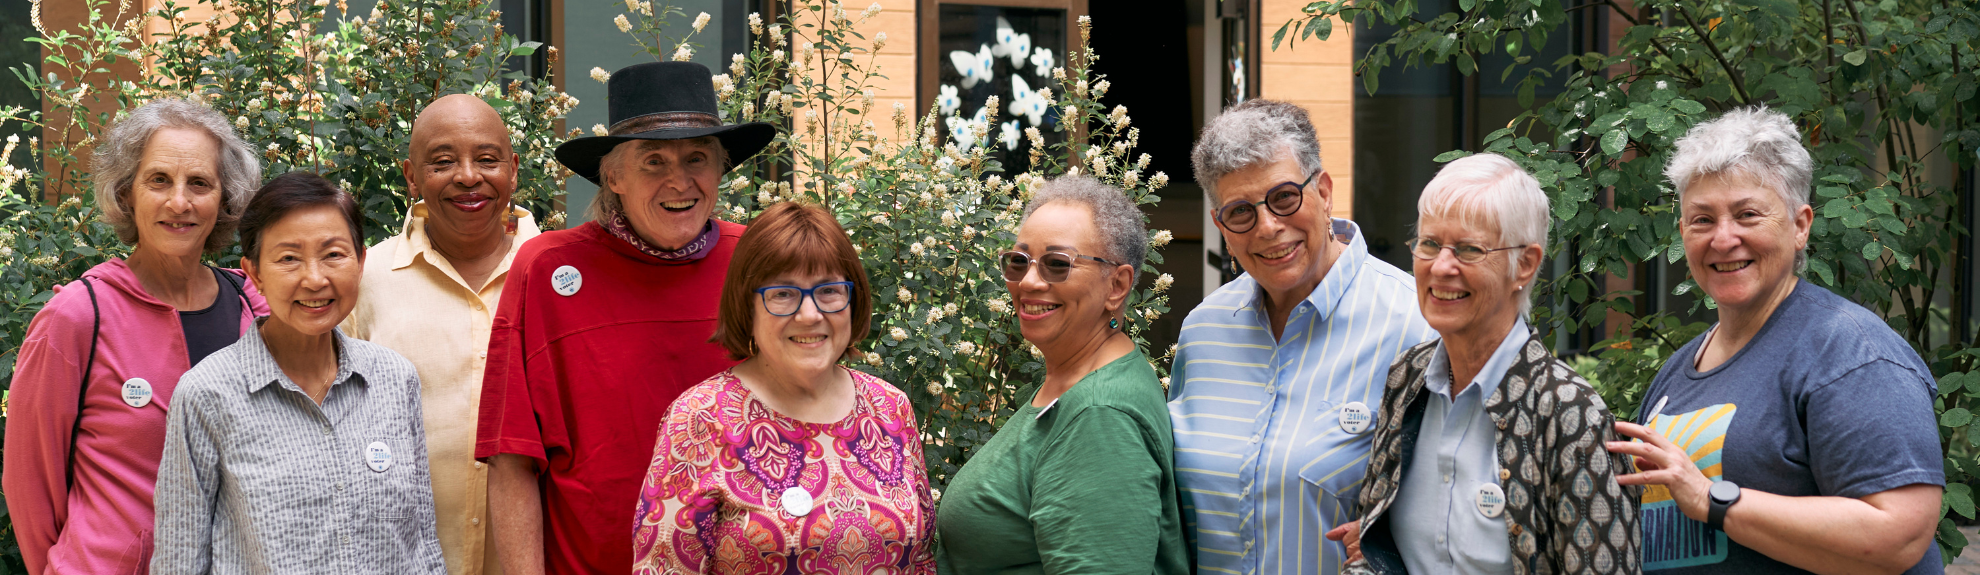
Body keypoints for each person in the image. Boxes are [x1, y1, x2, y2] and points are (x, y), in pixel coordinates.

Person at [1604, 107, 1943, 574]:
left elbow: (1898, 534)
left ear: (1800, 225)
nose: (1724, 239)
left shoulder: (1850, 352)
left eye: (1747, 214)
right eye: (1702, 220)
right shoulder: (1677, 372)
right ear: (1682, 233)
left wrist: (1711, 499)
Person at [475, 61, 774, 575]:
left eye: (698, 157)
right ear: (612, 175)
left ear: (721, 167)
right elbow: (512, 458)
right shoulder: (547, 269)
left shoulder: (755, 259)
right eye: (653, 161)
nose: (679, 181)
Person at [1329, 153, 1640, 575]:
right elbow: (1377, 553)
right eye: (1429, 244)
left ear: (1525, 265)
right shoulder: (1406, 380)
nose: (1441, 267)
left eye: (1469, 250)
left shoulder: (1570, 413)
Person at [1168, 98, 1436, 574]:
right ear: (1221, 227)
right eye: (1240, 212)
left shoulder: (1413, 324)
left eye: (1284, 197)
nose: (1268, 227)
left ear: (1325, 192)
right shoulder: (1204, 330)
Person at [2, 97, 268, 574]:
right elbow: (29, 483)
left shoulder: (255, 306)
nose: (179, 202)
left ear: (225, 198)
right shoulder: (78, 316)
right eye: (159, 180)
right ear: (128, 194)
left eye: (200, 183)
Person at [151, 172, 443, 574]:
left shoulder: (394, 379)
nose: (315, 278)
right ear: (254, 274)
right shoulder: (208, 393)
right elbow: (179, 560)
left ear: (360, 262)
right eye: (289, 258)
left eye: (333, 254)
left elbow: (422, 545)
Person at [631, 201, 935, 573]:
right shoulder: (700, 420)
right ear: (748, 306)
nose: (810, 314)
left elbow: (920, 561)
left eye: (828, 291)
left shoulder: (890, 408)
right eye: (783, 294)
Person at [935, 175, 1189, 575]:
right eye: (1019, 262)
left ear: (1117, 285)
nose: (1029, 281)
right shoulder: (1076, 379)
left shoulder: (1100, 416)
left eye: (1058, 264)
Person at [341, 94, 541, 575]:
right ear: (411, 175)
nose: (468, 176)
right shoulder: (364, 281)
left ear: (513, 169)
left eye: (487, 160)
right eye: (443, 162)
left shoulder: (563, 276)